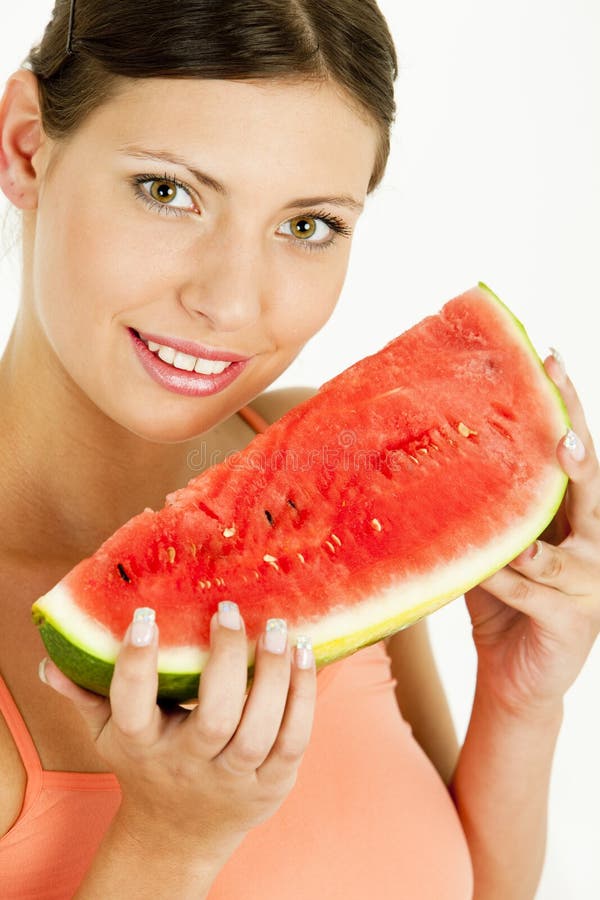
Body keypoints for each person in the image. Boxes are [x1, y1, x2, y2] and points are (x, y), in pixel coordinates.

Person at [0, 1, 598, 897]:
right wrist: (169, 844)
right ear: (24, 148)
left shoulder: (324, 481)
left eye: (309, 224)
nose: (233, 303)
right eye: (168, 191)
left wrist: (521, 701)